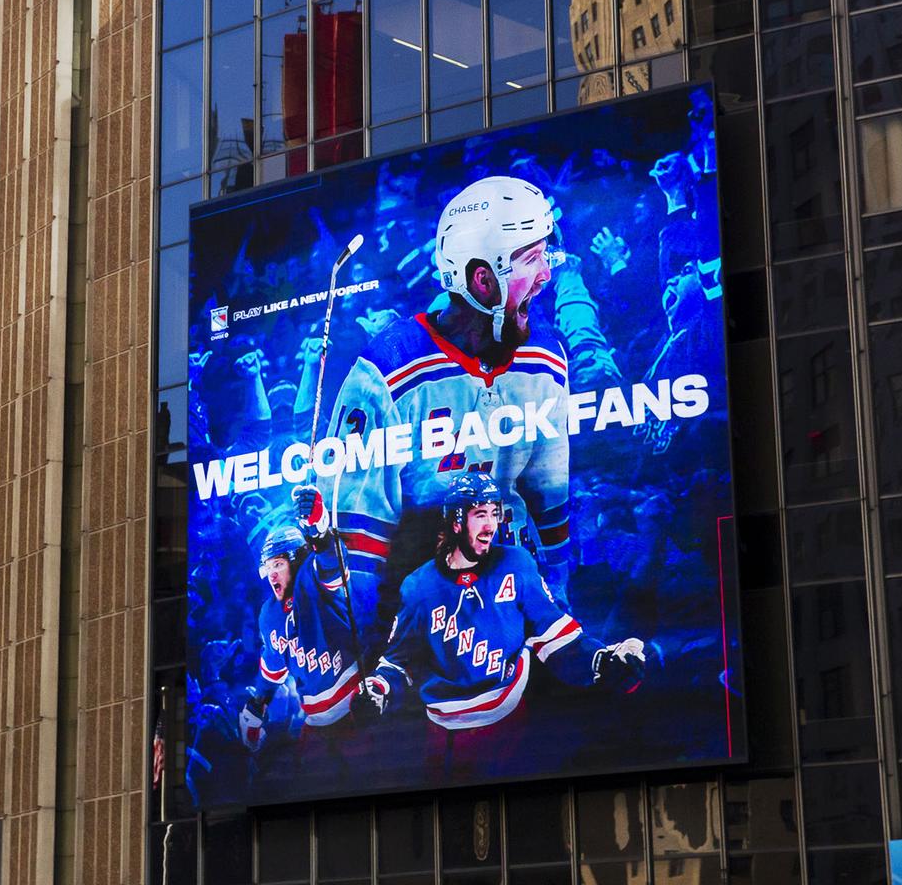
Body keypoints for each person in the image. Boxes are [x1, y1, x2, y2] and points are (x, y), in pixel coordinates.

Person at [323, 175, 618, 627]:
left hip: (515, 613)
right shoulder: (384, 373)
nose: (546, 274)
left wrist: (555, 611)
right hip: (426, 627)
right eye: (532, 259)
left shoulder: (545, 358)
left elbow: (549, 501)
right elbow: (354, 540)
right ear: (482, 279)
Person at [361, 474, 647, 742]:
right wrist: (377, 691)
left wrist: (602, 661)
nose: (490, 525)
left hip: (509, 721)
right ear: (456, 522)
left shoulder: (516, 564)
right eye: (480, 514)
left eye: (494, 513)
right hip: (442, 732)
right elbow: (399, 662)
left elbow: (556, 638)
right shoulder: (419, 586)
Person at [237, 484, 364, 754]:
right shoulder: (269, 614)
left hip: (356, 710)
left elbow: (332, 562)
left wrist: (319, 529)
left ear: (297, 561)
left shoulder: (317, 582)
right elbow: (272, 672)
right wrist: (256, 706)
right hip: (314, 723)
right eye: (268, 567)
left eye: (279, 564)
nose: (272, 575)